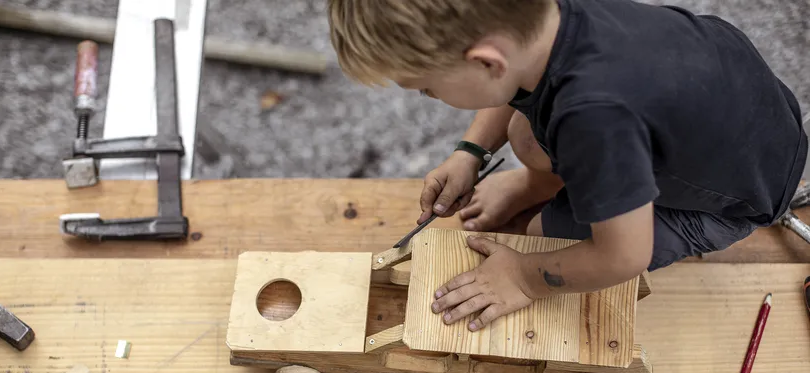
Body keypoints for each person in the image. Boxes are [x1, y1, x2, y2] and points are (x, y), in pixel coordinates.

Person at [328, 0, 807, 332]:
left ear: (486, 62)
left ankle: (547, 205)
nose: (429, 97)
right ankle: (540, 180)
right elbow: (513, 86)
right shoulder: (544, 21)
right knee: (523, 133)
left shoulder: (594, 119)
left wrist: (522, 277)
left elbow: (623, 257)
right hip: (739, 121)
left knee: (543, 236)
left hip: (728, 203)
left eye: (427, 88)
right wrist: (470, 152)